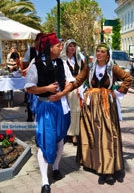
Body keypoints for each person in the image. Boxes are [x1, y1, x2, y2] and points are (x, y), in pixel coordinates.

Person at [71, 43, 133, 185]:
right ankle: (97, 165)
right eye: (97, 51)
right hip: (91, 106)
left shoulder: (113, 68)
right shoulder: (89, 67)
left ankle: (108, 170)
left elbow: (128, 79)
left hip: (106, 107)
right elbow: (78, 81)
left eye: (102, 51)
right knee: (94, 135)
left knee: (108, 134)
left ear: (107, 55)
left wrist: (118, 92)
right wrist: (65, 89)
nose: (98, 54)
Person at [25, 33, 74, 193]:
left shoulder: (61, 63)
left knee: (60, 140)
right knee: (45, 142)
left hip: (60, 107)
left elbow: (70, 83)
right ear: (49, 47)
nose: (61, 48)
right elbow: (29, 88)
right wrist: (47, 89)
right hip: (45, 107)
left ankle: (56, 168)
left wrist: (60, 93)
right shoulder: (36, 64)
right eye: (58, 45)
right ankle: (45, 181)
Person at [61, 39, 85, 145]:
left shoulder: (78, 59)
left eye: (74, 46)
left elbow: (84, 72)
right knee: (67, 110)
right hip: (66, 88)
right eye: (70, 46)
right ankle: (67, 133)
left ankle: (75, 134)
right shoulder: (62, 59)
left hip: (77, 87)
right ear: (66, 47)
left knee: (76, 110)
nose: (72, 48)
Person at [23, 33, 43, 122]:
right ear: (36, 41)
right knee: (30, 96)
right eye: (39, 39)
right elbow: (24, 62)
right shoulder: (30, 50)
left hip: (42, 78)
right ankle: (30, 115)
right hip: (32, 77)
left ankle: (38, 115)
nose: (41, 41)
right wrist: (33, 64)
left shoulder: (46, 51)